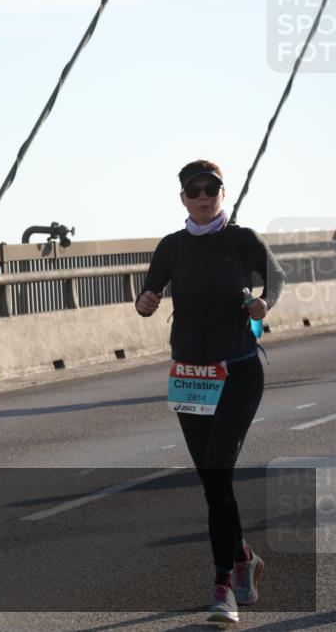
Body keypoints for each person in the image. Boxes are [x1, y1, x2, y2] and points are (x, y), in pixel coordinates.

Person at [136, 160, 285, 624]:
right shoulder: (172, 246)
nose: (203, 197)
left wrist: (264, 303)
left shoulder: (242, 239)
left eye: (211, 189)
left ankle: (223, 586)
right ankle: (243, 557)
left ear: (223, 193)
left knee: (218, 468)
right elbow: (148, 294)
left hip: (237, 371)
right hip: (191, 376)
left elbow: (276, 277)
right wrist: (145, 301)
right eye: (194, 190)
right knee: (212, 481)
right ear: (182, 198)